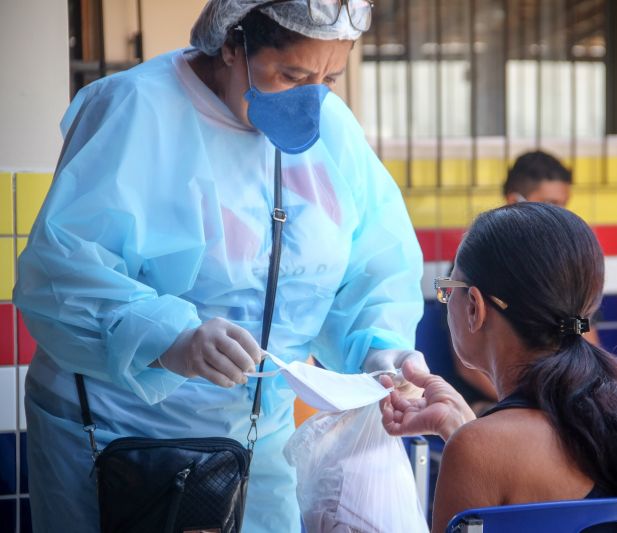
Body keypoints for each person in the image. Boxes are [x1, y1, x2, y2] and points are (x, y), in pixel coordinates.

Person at [13, 1, 426, 531]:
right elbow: (60, 275)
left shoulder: (333, 132)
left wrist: (380, 353)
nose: (311, 99)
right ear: (233, 45)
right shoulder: (135, 109)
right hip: (119, 437)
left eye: (330, 78)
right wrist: (173, 339)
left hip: (256, 436)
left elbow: (369, 267)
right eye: (291, 75)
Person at [381, 203, 617, 532]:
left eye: (448, 289)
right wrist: (460, 426)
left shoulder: (477, 450)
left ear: (474, 308)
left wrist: (469, 440)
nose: (446, 300)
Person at [452, 150, 598, 413]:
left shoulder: (566, 267)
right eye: (550, 204)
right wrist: (527, 404)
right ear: (513, 201)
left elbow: (586, 341)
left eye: (563, 204)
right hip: (496, 406)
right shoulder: (475, 264)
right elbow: (468, 367)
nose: (559, 214)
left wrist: (561, 401)